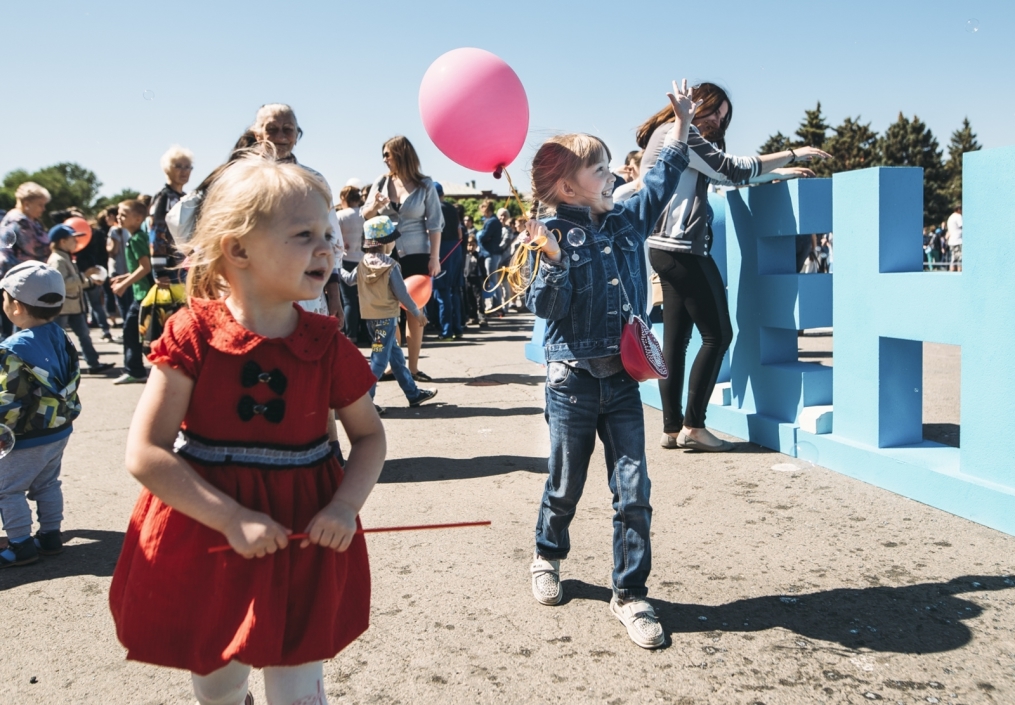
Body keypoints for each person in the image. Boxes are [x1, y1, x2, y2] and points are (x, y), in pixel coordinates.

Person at [108, 155, 385, 705]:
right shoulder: (192, 333)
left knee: (299, 682)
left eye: (328, 234)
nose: (327, 248)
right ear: (238, 250)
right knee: (219, 680)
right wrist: (231, 518)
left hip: (306, 527)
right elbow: (145, 452)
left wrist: (343, 507)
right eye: (304, 235)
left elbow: (370, 437)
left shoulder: (328, 343)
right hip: (210, 529)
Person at [522, 80, 697, 650]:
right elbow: (546, 309)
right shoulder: (550, 234)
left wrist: (682, 123)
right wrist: (553, 263)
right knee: (565, 483)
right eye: (599, 169)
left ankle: (630, 593)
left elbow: (663, 176)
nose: (612, 174)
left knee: (633, 489)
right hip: (571, 381)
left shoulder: (625, 219)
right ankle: (547, 554)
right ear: (569, 185)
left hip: (622, 380)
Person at [637, 82, 829, 452]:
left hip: (663, 247)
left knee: (676, 342)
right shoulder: (680, 132)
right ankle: (694, 426)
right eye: (713, 111)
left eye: (723, 118)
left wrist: (777, 174)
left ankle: (672, 428)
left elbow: (720, 174)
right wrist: (792, 153)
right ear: (697, 104)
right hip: (682, 248)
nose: (717, 121)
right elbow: (730, 168)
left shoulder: (668, 134)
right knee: (718, 336)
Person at [0, 262, 82, 567]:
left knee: (8, 490)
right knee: (47, 483)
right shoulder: (61, 335)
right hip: (58, 428)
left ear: (17, 307)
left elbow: (8, 399)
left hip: (26, 435)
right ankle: (50, 536)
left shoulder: (13, 348)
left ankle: (20, 545)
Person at [363, 136, 443, 380]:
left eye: (387, 154)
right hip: (384, 253)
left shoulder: (425, 185)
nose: (384, 159)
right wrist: (375, 206)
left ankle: (414, 367)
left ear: (401, 154)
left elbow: (435, 224)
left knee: (414, 310)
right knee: (386, 312)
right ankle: (393, 365)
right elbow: (365, 214)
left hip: (416, 253)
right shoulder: (381, 182)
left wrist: (435, 257)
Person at [343, 216, 438, 412]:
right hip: (386, 321)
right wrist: (416, 313)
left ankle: (413, 394)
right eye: (393, 240)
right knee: (379, 361)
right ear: (386, 243)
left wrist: (336, 267)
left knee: (396, 359)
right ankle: (365, 402)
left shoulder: (362, 264)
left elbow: (349, 280)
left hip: (371, 320)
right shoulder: (391, 265)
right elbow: (402, 294)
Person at [46, 225, 115, 375]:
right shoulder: (58, 260)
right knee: (56, 339)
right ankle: (52, 368)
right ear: (63, 241)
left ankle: (93, 364)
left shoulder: (66, 257)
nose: (76, 242)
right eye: (73, 239)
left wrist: (91, 281)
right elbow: (62, 283)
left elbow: (74, 281)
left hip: (74, 306)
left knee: (84, 335)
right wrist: (85, 275)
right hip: (63, 308)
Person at [110, 199, 155, 384]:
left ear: (137, 219)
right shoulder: (138, 237)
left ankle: (135, 371)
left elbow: (145, 267)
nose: (119, 217)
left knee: (130, 331)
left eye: (123, 214)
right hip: (143, 293)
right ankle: (136, 369)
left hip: (144, 294)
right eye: (118, 214)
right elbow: (142, 268)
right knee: (137, 332)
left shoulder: (137, 239)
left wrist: (124, 285)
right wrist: (124, 277)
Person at [150, 145, 194, 282]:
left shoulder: (186, 198)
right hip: (170, 269)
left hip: (185, 265)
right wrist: (159, 271)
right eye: (178, 166)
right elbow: (156, 232)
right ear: (167, 168)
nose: (184, 171)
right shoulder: (164, 196)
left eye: (188, 167)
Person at [433, 183, 464, 339]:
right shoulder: (452, 208)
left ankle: (447, 331)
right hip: (456, 249)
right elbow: (460, 233)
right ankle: (457, 328)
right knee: (454, 291)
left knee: (442, 292)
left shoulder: (433, 208)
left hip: (442, 249)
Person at [74, 213, 113, 341]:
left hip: (84, 271)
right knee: (95, 303)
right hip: (94, 270)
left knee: (86, 304)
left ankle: (87, 332)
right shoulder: (96, 233)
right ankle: (104, 330)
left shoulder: (75, 236)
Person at [337, 186, 366, 344]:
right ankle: (366, 334)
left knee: (348, 301)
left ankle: (351, 334)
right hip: (363, 259)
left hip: (346, 259)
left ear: (344, 198)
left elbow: (335, 239)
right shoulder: (364, 214)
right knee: (363, 298)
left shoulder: (340, 215)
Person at [0, 182, 52, 266]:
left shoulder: (32, 220)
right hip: (17, 270)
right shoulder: (19, 221)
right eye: (40, 205)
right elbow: (37, 249)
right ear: (26, 204)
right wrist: (57, 245)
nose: (44, 209)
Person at [475, 200, 504, 315]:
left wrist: (480, 235)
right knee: (492, 280)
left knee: (492, 281)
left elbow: (482, 237)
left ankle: (498, 306)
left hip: (491, 253)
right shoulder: (492, 221)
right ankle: (496, 305)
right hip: (491, 253)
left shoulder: (491, 221)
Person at [947, 205, 962, 272]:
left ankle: (952, 274)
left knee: (953, 259)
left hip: (952, 241)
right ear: (958, 209)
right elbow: (962, 226)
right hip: (958, 241)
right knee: (960, 259)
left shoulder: (950, 217)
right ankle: (960, 273)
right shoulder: (958, 216)